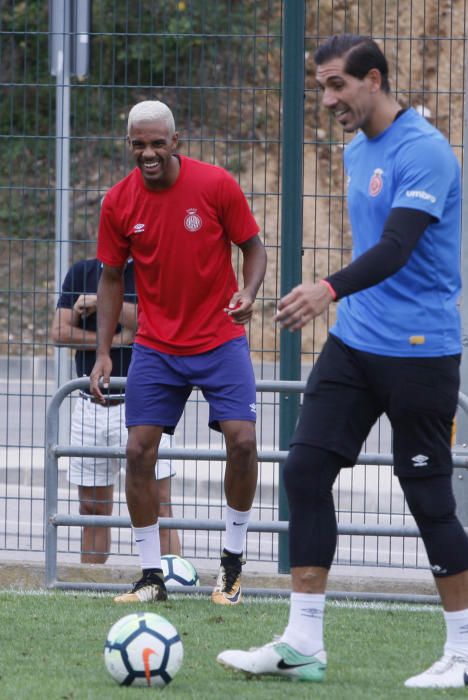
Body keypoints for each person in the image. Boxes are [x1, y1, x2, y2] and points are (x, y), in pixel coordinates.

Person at [217, 33, 468, 689]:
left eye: (336, 86)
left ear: (374, 79)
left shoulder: (426, 153)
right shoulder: (359, 150)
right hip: (355, 342)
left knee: (428, 497)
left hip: (420, 351)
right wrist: (335, 300)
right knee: (304, 470)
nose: (327, 99)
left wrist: (325, 288)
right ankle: (303, 642)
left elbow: (397, 248)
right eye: (321, 86)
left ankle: (464, 649)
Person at [89, 100, 267, 605]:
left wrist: (249, 293)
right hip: (157, 345)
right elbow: (110, 276)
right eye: (138, 144)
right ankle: (150, 576)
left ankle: (231, 565)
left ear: (176, 141)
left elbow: (253, 247)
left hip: (219, 338)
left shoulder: (215, 185)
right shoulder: (118, 202)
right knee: (137, 451)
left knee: (244, 441)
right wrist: (104, 353)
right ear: (129, 144)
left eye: (156, 143)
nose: (147, 153)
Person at [52, 257, 181, 563]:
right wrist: (114, 339)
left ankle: (173, 580)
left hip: (143, 405)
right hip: (89, 405)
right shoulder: (81, 272)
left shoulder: (153, 271)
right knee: (92, 510)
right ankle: (92, 587)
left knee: (158, 505)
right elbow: (59, 331)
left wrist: (104, 302)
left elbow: (155, 322)